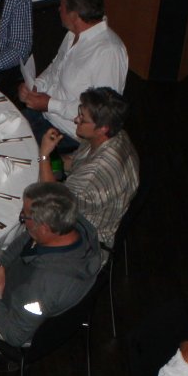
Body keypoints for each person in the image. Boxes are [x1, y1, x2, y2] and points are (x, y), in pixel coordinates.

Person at [0, 181, 102, 352]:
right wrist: (1, 263)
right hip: (22, 288)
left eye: (24, 217)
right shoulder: (72, 224)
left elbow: (15, 335)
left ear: (44, 228)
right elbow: (29, 236)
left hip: (17, 321)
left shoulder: (43, 287)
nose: (22, 218)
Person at [17, 0, 127, 147]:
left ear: (74, 15)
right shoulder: (72, 34)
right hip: (44, 117)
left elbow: (102, 112)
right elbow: (54, 68)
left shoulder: (109, 52)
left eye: (62, 5)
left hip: (69, 135)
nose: (59, 9)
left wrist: (50, 105)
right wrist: (35, 86)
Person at [37, 87, 139, 254]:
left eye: (82, 119)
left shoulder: (95, 174)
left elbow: (53, 202)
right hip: (81, 201)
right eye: (80, 112)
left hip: (86, 239)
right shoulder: (114, 135)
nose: (76, 119)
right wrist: (45, 159)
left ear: (102, 128)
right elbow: (74, 162)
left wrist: (44, 156)